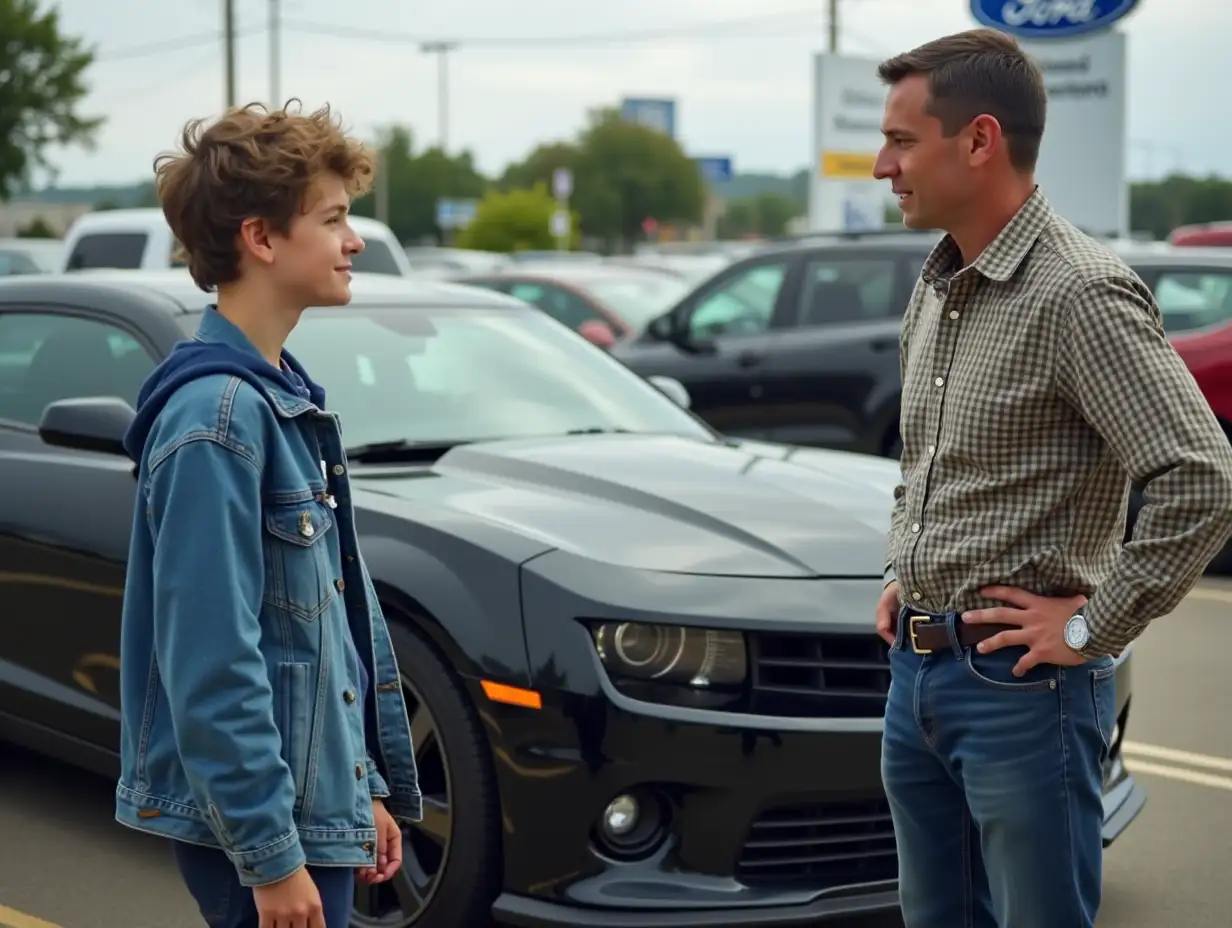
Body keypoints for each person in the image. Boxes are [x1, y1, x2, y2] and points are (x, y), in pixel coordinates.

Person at [870, 28, 1232, 928]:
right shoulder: (941, 280)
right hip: (915, 678)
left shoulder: (1079, 293)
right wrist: (900, 569)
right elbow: (927, 465)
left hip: (1021, 695)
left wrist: (1089, 625)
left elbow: (1201, 478)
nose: (883, 164)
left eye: (904, 141)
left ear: (980, 140)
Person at [114, 101, 422, 928]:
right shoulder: (216, 420)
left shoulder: (277, 398)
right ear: (261, 238)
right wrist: (270, 854)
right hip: (266, 834)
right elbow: (213, 663)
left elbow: (316, 644)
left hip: (307, 815)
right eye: (334, 218)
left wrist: (361, 795)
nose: (353, 240)